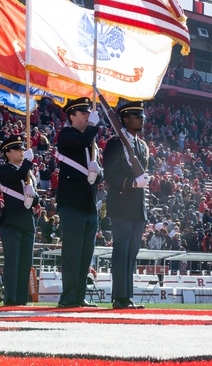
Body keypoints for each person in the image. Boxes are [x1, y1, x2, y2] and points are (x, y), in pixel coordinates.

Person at [102, 100, 150, 310]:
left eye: (141, 116)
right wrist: (131, 183)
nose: (141, 119)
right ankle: (119, 297)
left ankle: (127, 296)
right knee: (121, 251)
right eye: (136, 116)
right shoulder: (115, 143)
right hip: (122, 204)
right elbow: (110, 175)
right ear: (125, 119)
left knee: (132, 252)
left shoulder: (141, 145)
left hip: (138, 206)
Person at [54, 97, 102, 309]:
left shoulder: (91, 143)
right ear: (72, 116)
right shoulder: (67, 135)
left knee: (85, 254)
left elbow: (94, 166)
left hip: (89, 203)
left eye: (88, 113)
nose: (87, 116)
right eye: (83, 113)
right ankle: (68, 296)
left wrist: (98, 174)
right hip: (72, 203)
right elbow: (80, 141)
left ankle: (79, 296)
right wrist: (92, 126)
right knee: (72, 252)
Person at [0, 132, 39, 306]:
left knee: (24, 263)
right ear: (8, 153)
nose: (21, 152)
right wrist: (28, 164)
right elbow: (15, 177)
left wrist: (33, 196)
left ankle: (22, 298)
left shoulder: (29, 174)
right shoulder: (5, 169)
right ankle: (11, 298)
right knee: (13, 262)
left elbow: (35, 199)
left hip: (27, 221)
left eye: (22, 149)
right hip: (12, 220)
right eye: (17, 149)